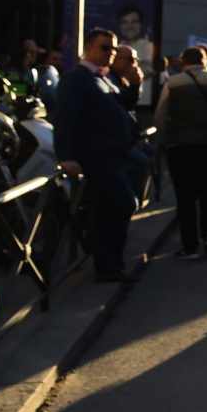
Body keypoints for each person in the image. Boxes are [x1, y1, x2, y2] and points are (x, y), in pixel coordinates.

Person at [54, 29, 142, 283]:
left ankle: (112, 264)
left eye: (113, 49)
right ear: (89, 47)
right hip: (97, 157)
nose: (110, 54)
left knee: (113, 209)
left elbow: (123, 105)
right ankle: (107, 265)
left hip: (116, 155)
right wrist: (66, 156)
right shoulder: (76, 79)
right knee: (118, 206)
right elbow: (65, 118)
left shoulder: (105, 78)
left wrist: (135, 85)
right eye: (105, 48)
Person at [154, 47, 207, 260]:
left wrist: (165, 139)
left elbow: (160, 116)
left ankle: (190, 246)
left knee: (185, 197)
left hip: (180, 147)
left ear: (183, 61)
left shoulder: (173, 83)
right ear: (205, 60)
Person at [109, 45, 145, 112]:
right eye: (131, 59)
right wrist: (135, 84)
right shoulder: (109, 79)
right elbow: (126, 104)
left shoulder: (122, 79)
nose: (134, 63)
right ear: (116, 58)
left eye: (135, 60)